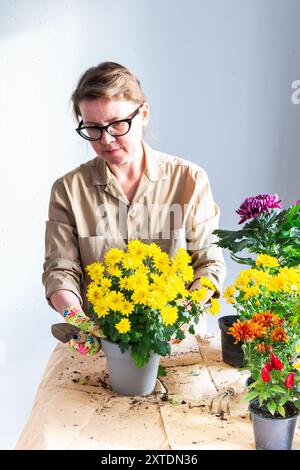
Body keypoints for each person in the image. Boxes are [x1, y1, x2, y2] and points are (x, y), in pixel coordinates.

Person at [43, 61, 226, 351]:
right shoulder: (68, 190)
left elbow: (209, 265)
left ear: (143, 114)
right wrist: (80, 322)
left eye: (117, 124)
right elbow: (59, 272)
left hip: (178, 346)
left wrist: (178, 316)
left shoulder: (189, 180)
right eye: (92, 128)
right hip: (101, 346)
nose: (106, 140)